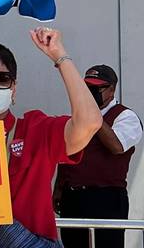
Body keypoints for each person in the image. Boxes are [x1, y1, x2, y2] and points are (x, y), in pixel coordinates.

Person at [0, 28, 102, 247]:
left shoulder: (37, 130)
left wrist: (60, 56)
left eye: (1, 79)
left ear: (13, 88)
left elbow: (90, 122)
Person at [55, 65, 141, 248]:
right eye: (87, 87)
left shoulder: (125, 116)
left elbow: (117, 146)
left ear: (111, 89)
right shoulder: (78, 116)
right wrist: (59, 188)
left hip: (106, 198)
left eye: (96, 88)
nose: (90, 92)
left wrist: (94, 116)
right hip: (73, 197)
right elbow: (65, 154)